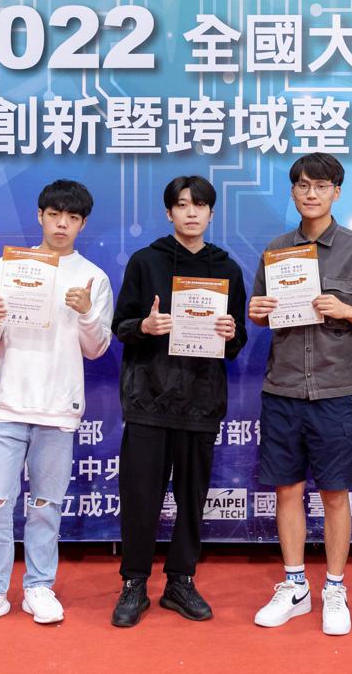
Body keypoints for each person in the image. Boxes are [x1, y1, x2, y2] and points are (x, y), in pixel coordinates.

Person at [0, 179, 115, 629]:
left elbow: (97, 348)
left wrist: (86, 312)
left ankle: (39, 587)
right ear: (40, 216)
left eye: (72, 217)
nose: (62, 224)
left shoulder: (93, 278)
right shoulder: (6, 268)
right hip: (6, 406)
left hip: (58, 410)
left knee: (46, 506)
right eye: (54, 214)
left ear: (83, 224)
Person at [248, 153, 352, 636]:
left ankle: (335, 588)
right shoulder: (276, 250)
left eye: (321, 186)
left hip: (334, 390)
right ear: (292, 191)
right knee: (287, 489)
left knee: (334, 493)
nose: (311, 193)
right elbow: (259, 312)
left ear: (336, 193)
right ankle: (295, 585)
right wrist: (257, 311)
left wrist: (345, 310)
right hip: (283, 387)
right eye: (303, 185)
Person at [109, 175, 248, 627]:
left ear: (211, 213)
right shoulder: (145, 261)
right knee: (140, 496)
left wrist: (231, 333)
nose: (191, 212)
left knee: (192, 497)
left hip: (201, 401)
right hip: (147, 399)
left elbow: (237, 342)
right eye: (182, 204)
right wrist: (144, 327)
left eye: (199, 205)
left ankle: (180, 580)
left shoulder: (227, 268)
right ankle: (134, 582)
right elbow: (120, 325)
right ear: (169, 212)